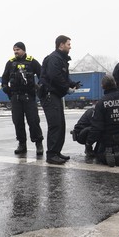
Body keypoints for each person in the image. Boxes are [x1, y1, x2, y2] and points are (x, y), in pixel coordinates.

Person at [38, 35, 80, 164]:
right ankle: (51, 155)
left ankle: (56, 152)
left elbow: (63, 77)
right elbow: (54, 76)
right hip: (50, 95)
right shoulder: (54, 59)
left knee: (61, 125)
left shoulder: (61, 59)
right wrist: (67, 88)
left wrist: (73, 83)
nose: (70, 47)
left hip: (56, 95)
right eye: (68, 44)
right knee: (55, 125)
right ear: (61, 45)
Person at [1, 42, 44, 155]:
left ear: (24, 50)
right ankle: (22, 144)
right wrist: (5, 87)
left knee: (33, 121)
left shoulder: (32, 61)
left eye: (18, 49)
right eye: (14, 50)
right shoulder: (10, 63)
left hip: (29, 96)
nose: (16, 52)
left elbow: (42, 75)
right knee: (18, 122)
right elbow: (4, 78)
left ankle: (38, 144)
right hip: (15, 97)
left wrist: (39, 86)